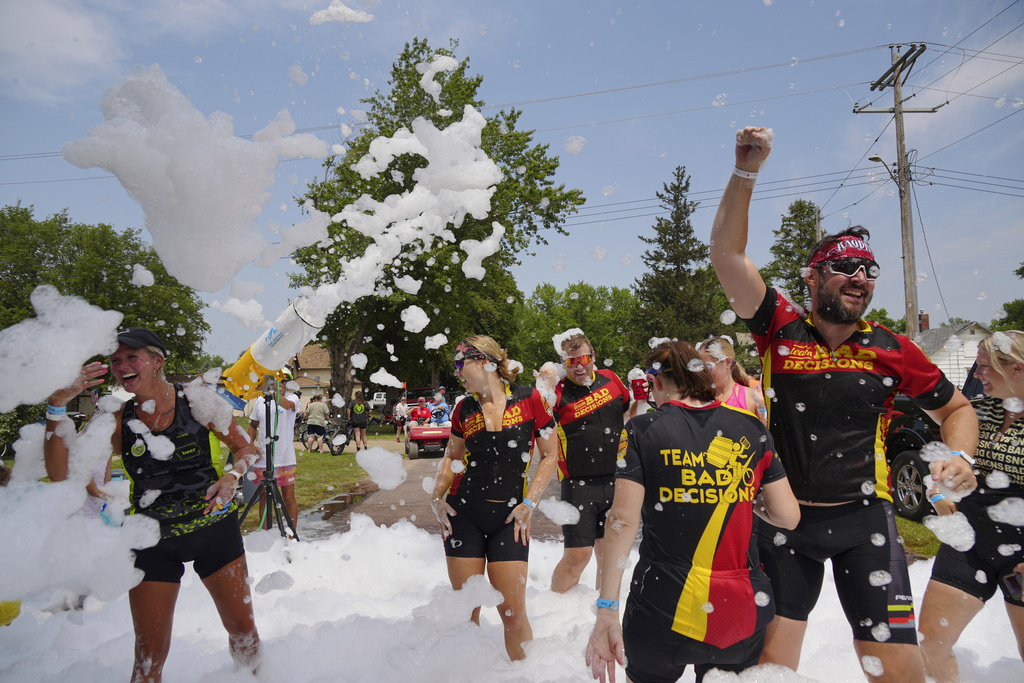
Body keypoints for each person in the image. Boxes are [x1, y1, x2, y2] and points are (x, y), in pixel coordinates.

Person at [708, 126, 980, 682]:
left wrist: (962, 458)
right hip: (784, 524)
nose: (860, 278)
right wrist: (745, 172)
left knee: (896, 669)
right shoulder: (779, 329)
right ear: (813, 276)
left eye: (869, 271)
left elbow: (959, 411)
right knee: (771, 667)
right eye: (845, 268)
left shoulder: (892, 349)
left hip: (867, 526)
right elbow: (726, 253)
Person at [43, 327, 261, 683]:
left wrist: (232, 477)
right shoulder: (114, 417)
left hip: (212, 530)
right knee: (148, 658)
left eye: (132, 357)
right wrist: (55, 407)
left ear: (157, 361)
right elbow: (60, 473)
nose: (122, 365)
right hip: (151, 540)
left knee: (243, 632)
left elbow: (246, 448)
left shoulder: (197, 399)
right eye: (116, 360)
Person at [586, 340, 800, 683]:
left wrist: (607, 609)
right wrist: (730, 493)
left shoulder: (642, 430)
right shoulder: (751, 428)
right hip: (739, 606)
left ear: (655, 382)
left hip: (663, 604)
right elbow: (788, 515)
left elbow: (622, 520)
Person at [429, 335, 559, 661]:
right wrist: (435, 496)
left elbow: (550, 456)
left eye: (461, 364)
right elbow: (451, 456)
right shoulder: (463, 408)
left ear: (484, 360)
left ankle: (524, 677)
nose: (457, 372)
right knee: (465, 614)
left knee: (512, 614)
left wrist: (530, 503)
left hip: (509, 521)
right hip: (463, 517)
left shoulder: (530, 400)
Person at [918, 331, 1024, 682]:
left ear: (1018, 369)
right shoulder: (975, 412)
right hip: (970, 543)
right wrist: (937, 493)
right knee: (930, 643)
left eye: (984, 367)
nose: (977, 375)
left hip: (1020, 550)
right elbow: (941, 470)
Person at [549, 329, 634, 594]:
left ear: (593, 357)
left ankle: (599, 614)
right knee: (577, 557)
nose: (578, 366)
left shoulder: (611, 379)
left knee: (607, 556)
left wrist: (642, 401)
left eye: (582, 359)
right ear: (564, 364)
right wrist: (543, 386)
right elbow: (539, 427)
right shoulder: (557, 392)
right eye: (571, 362)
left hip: (616, 479)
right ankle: (554, 606)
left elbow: (630, 415)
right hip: (578, 484)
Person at [247, 377, 300, 529]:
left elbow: (289, 406)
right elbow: (252, 426)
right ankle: (265, 535)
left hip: (285, 459)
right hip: (264, 459)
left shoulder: (292, 398)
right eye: (280, 379)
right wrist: (250, 444)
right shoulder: (260, 401)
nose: (283, 383)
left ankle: (292, 537)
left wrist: (273, 392)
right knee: (264, 499)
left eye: (286, 380)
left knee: (288, 499)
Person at [698, 336, 768, 425]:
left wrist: (762, 408)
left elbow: (764, 436)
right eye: (700, 366)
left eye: (708, 366)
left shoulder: (751, 399)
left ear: (727, 362)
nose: (703, 371)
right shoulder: (698, 398)